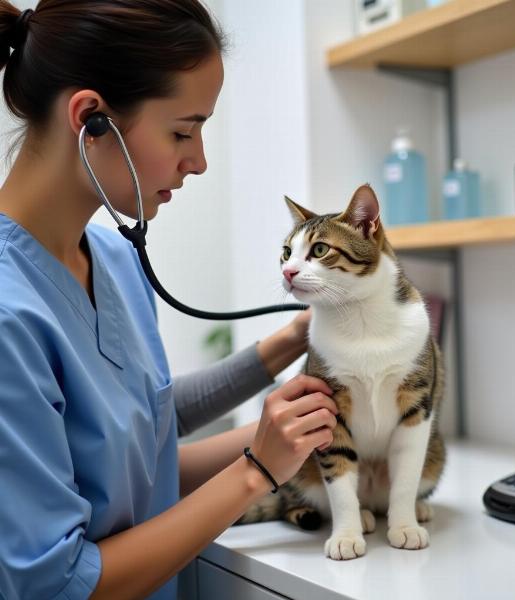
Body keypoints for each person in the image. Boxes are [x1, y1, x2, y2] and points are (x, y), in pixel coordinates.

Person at [0, 1, 339, 599]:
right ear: (91, 119)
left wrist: (293, 353)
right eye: (183, 131)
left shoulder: (115, 261)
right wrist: (255, 471)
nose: (198, 161)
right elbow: (57, 584)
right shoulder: (9, 315)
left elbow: (141, 451)